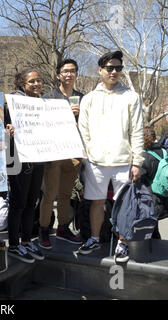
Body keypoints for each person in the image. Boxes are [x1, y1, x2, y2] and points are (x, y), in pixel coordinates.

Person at [78, 51, 144, 263]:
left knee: (124, 205)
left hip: (123, 161)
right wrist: (87, 157)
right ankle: (95, 238)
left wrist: (137, 162)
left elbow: (137, 131)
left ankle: (122, 243)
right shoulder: (89, 99)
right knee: (96, 203)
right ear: (100, 70)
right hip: (95, 162)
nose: (114, 72)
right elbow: (83, 131)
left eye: (118, 68)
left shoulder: (131, 97)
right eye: (110, 68)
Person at [38, 59, 83, 250]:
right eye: (65, 71)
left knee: (66, 194)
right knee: (49, 194)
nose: (69, 74)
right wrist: (65, 115)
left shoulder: (83, 98)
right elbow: (42, 124)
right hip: (54, 152)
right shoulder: (49, 98)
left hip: (73, 153)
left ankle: (63, 228)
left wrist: (80, 121)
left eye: (72, 71)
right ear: (58, 75)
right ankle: (44, 229)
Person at [4, 68, 45, 263]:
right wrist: (8, 127)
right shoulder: (12, 103)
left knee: (32, 202)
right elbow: (1, 124)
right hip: (19, 160)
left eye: (39, 81)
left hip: (38, 159)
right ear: (23, 84)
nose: (36, 84)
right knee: (18, 203)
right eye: (32, 82)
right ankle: (13, 244)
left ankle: (27, 241)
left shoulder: (44, 104)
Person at [141, 126, 168, 239]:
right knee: (155, 226)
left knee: (150, 227)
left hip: (150, 195)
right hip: (163, 193)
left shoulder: (142, 156)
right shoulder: (163, 151)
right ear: (155, 137)